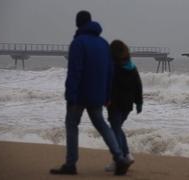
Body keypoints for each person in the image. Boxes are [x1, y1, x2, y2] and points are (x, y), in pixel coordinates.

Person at [50, 10, 131, 176]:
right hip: (97, 94)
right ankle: (120, 158)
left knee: (72, 125)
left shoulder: (78, 43)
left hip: (79, 94)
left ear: (78, 23)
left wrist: (70, 95)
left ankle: (71, 164)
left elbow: (75, 71)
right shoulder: (103, 43)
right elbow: (110, 72)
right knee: (101, 124)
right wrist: (107, 95)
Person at [104, 40, 143, 172]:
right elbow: (138, 86)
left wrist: (105, 98)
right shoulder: (132, 67)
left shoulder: (113, 67)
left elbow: (109, 85)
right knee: (117, 129)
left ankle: (122, 158)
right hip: (127, 105)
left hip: (114, 104)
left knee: (115, 130)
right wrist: (139, 102)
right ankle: (126, 156)